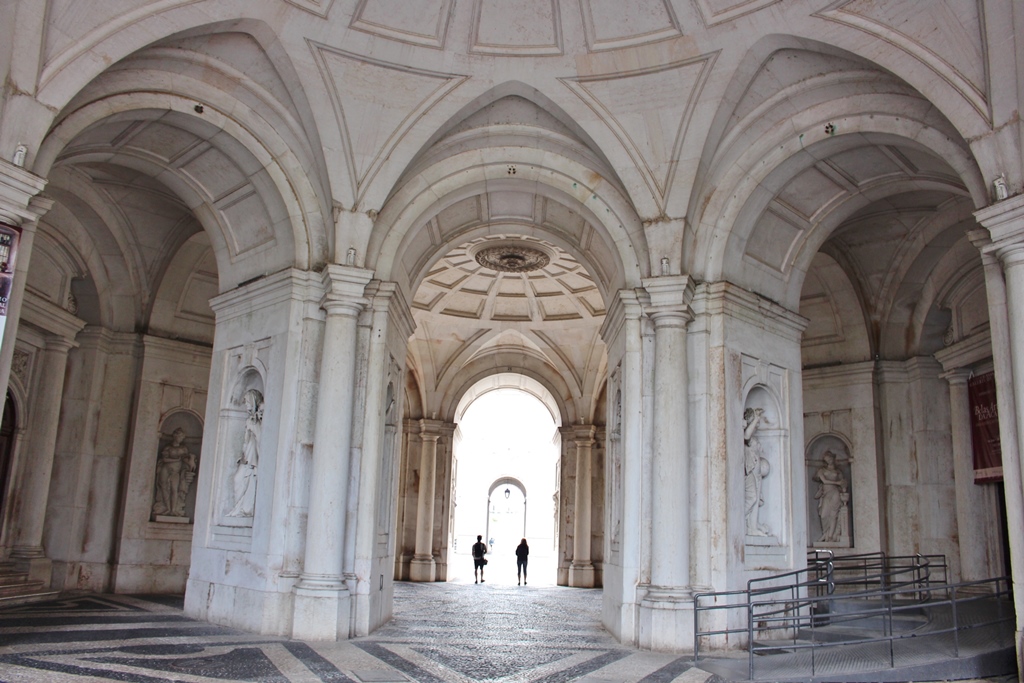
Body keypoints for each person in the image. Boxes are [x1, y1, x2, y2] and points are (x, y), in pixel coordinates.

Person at [228, 389, 263, 517]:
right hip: (248, 455)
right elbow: (246, 441)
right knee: (238, 479)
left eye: (248, 402)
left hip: (254, 455)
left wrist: (254, 427)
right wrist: (242, 455)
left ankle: (246, 509)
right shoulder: (250, 420)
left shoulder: (257, 421)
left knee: (248, 480)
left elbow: (261, 438)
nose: (246, 405)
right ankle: (239, 508)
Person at [152, 428, 196, 518]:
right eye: (179, 436)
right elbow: (165, 459)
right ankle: (167, 508)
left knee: (174, 489)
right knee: (164, 488)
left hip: (176, 471)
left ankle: (173, 510)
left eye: (182, 437)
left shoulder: (183, 449)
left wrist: (191, 462)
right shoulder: (168, 448)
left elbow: (186, 460)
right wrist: (177, 459)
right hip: (165, 470)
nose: (180, 438)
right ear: (175, 436)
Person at [814, 450, 847, 542]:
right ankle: (825, 534)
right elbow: (824, 481)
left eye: (830, 458)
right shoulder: (821, 471)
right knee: (824, 514)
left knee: (833, 514)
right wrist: (837, 482)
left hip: (835, 492)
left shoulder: (838, 471)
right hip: (826, 493)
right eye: (827, 459)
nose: (829, 460)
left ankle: (830, 536)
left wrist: (843, 487)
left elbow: (843, 482)